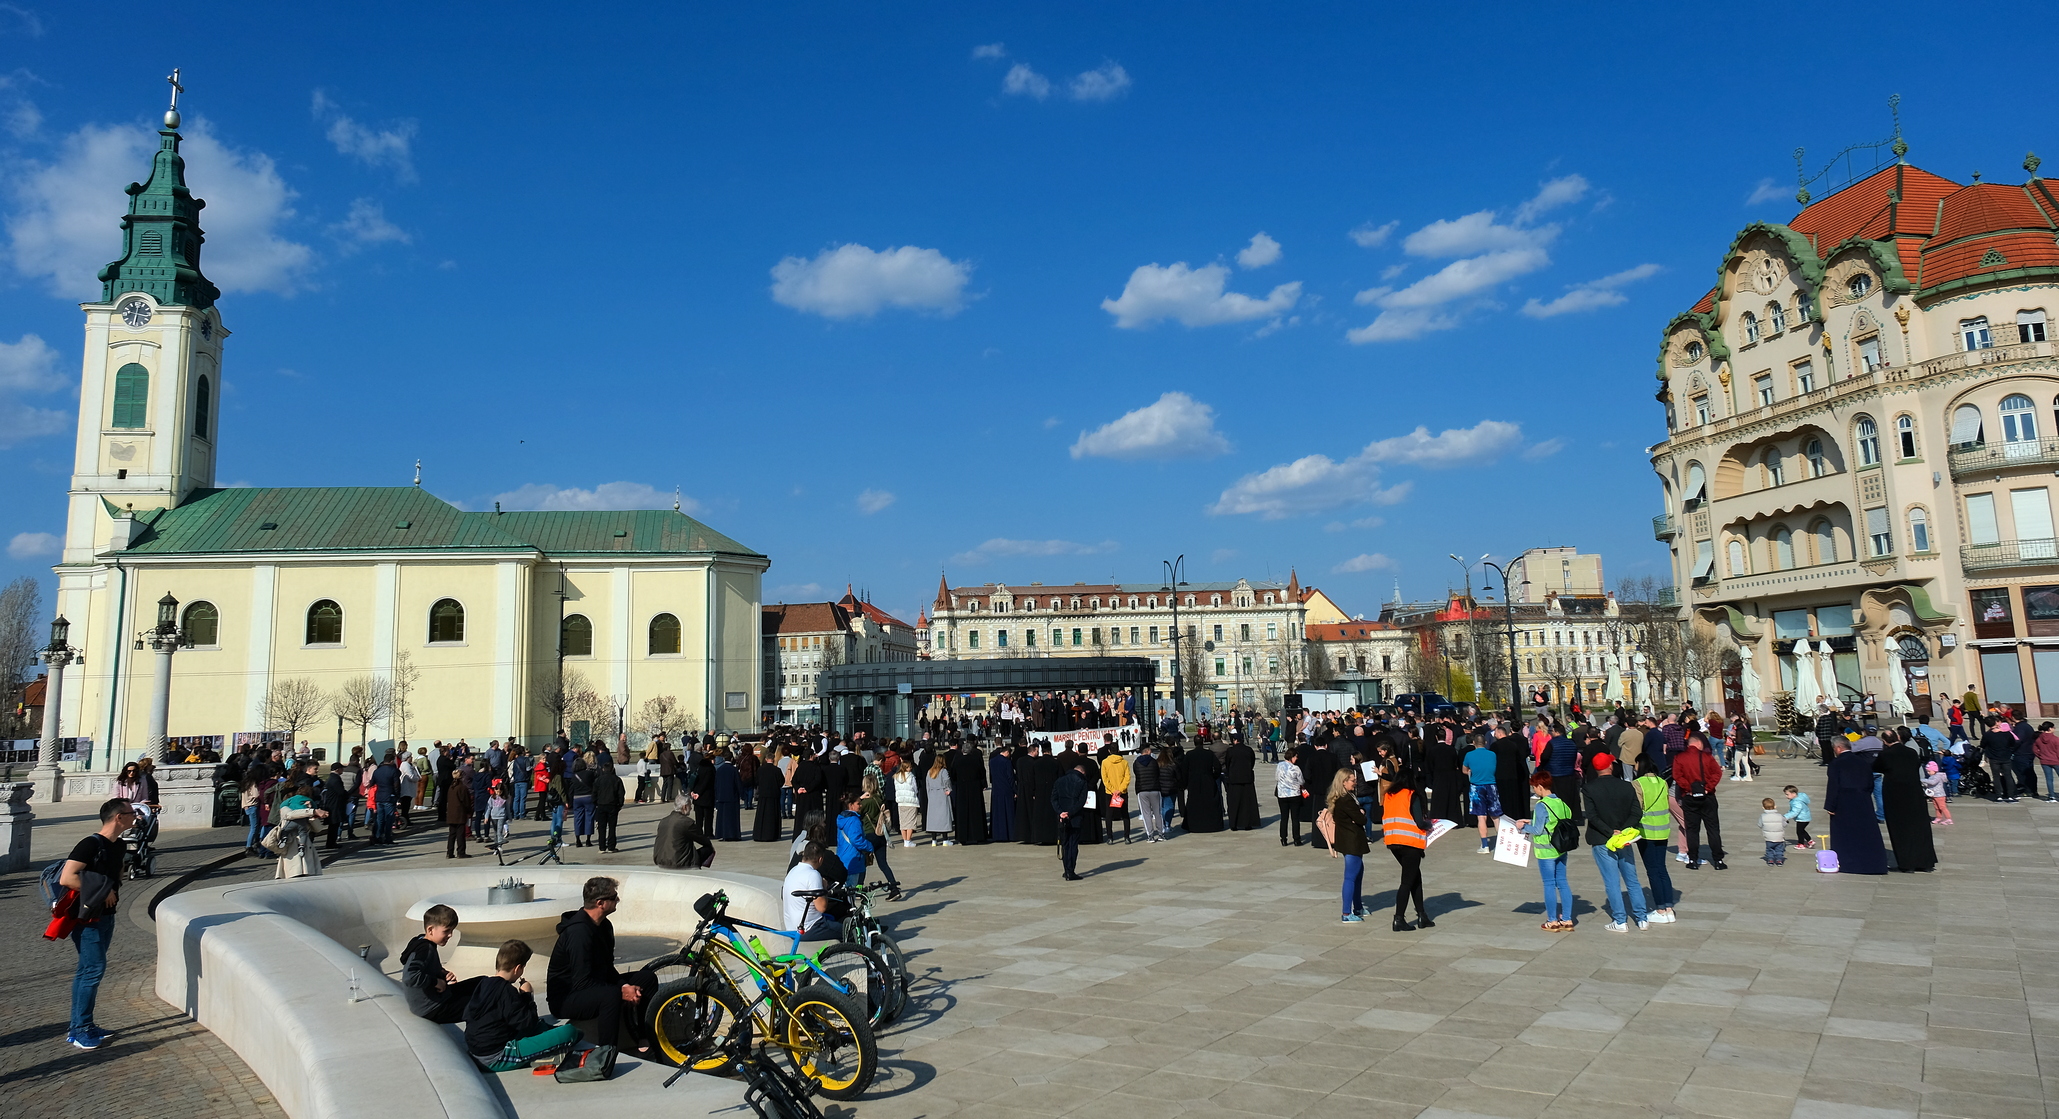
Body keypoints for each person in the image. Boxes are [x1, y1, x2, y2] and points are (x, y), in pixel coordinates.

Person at [545, 877, 659, 1052]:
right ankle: (606, 1052)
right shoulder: (578, 933)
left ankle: (643, 1035)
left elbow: (607, 968)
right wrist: (621, 991)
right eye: (614, 898)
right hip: (566, 998)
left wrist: (626, 985)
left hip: (593, 984)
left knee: (647, 979)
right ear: (600, 903)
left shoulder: (604, 926)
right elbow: (581, 982)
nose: (618, 901)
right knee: (611, 995)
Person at [55, 798, 131, 1049]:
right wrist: (102, 890)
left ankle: (83, 1023)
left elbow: (117, 873)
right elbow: (67, 877)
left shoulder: (119, 845)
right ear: (118, 817)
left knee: (88, 969)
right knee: (93, 970)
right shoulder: (89, 844)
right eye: (132, 813)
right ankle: (80, 1030)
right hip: (87, 918)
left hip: (107, 916)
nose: (135, 817)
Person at [465, 939, 581, 1072]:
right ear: (518, 968)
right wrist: (527, 995)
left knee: (541, 1026)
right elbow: (527, 1022)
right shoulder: (507, 991)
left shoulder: (484, 983)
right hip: (495, 1057)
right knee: (570, 1032)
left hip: (479, 1049)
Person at [1583, 754, 1650, 931]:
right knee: (1632, 879)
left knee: (1612, 882)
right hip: (1624, 840)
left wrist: (1609, 832)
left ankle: (1620, 921)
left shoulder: (1589, 788)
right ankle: (1642, 918)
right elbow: (1637, 812)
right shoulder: (1626, 786)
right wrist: (1623, 830)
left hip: (1602, 839)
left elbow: (1592, 816)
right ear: (1610, 767)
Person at [402, 905, 485, 1023]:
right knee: (486, 1002)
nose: (450, 935)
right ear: (430, 930)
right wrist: (436, 982)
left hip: (435, 999)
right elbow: (410, 976)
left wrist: (441, 972)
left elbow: (422, 967)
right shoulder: (425, 950)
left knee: (483, 982)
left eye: (451, 931)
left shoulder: (420, 941)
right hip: (433, 1008)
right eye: (446, 931)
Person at [1823, 738, 1888, 874]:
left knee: (1845, 834)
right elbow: (1870, 782)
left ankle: (1848, 862)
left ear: (1838, 748)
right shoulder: (1862, 761)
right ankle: (1873, 863)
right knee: (1866, 832)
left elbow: (1834, 785)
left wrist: (1830, 805)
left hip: (1844, 801)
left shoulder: (1836, 763)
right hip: (1863, 799)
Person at [1876, 732, 1937, 872]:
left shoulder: (1886, 754)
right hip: (1914, 793)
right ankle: (1926, 862)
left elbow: (1876, 767)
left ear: (1885, 741)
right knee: (1920, 828)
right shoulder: (1911, 752)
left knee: (1901, 829)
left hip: (1895, 795)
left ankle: (1907, 863)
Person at [1378, 773, 1430, 931]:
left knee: (1415, 876)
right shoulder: (1411, 794)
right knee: (1407, 881)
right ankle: (1398, 918)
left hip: (1393, 842)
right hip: (1410, 842)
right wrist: (1430, 825)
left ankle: (1422, 915)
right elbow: (1419, 821)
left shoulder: (1389, 795)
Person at [1630, 757, 1678, 924]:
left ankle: (1660, 908)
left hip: (1647, 831)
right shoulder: (1662, 782)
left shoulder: (1638, 784)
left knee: (1652, 871)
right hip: (1663, 830)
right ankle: (1669, 908)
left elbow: (1637, 807)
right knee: (1662, 869)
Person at [1527, 772, 1576, 931]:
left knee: (1549, 883)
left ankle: (1552, 920)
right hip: (1561, 849)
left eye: (1535, 787)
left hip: (1546, 851)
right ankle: (1567, 919)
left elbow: (1538, 829)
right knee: (1562, 882)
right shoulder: (1561, 803)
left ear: (1540, 787)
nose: (1534, 790)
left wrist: (1523, 827)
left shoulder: (1542, 805)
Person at [1673, 733, 1727, 871]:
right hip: (1708, 797)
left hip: (1689, 797)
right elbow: (1717, 773)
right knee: (1713, 829)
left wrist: (1689, 788)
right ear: (1698, 744)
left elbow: (1677, 776)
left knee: (1692, 830)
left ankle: (1693, 859)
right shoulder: (1707, 757)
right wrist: (1708, 788)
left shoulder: (1679, 758)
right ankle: (1718, 860)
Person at [1325, 770, 1371, 923]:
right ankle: (1346, 913)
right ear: (1343, 781)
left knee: (1358, 875)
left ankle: (1357, 907)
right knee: (1351, 877)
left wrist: (1358, 815)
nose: (1355, 782)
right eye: (1352, 780)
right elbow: (1361, 819)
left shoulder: (1345, 796)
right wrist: (1361, 813)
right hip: (1352, 841)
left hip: (1350, 839)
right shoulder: (1346, 800)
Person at [782, 842, 842, 940]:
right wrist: (824, 887)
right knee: (849, 930)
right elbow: (822, 907)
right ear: (820, 859)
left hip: (791, 927)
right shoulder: (813, 875)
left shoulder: (793, 870)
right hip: (808, 928)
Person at [273, 782, 327, 879]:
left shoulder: (307, 809)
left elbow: (318, 829)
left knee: (307, 877)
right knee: (293, 876)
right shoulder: (285, 808)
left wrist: (311, 812)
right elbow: (291, 815)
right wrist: (311, 811)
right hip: (291, 846)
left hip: (306, 846)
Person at [1052, 756, 1090, 881]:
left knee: (1065, 844)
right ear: (1082, 772)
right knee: (1073, 844)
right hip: (1075, 817)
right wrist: (1070, 813)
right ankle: (1070, 871)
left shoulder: (1060, 780)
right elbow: (1081, 801)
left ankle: (1066, 870)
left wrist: (1061, 812)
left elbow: (1053, 798)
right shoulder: (1082, 782)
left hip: (1062, 817)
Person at [653, 794, 715, 869]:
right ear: (685, 807)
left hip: (660, 860)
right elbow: (704, 840)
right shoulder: (686, 823)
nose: (691, 808)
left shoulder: (663, 821)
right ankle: (696, 868)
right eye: (690, 805)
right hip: (678, 862)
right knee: (709, 849)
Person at [1462, 736, 1500, 855]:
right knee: (1496, 816)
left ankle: (1485, 845)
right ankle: (1500, 843)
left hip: (1476, 786)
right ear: (1486, 742)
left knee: (1481, 816)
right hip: (1491, 785)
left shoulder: (1469, 755)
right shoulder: (1492, 754)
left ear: (1474, 743)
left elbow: (1464, 770)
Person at [834, 790, 874, 887]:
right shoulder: (854, 820)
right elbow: (856, 840)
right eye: (858, 804)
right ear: (851, 805)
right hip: (853, 858)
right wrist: (869, 846)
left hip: (843, 857)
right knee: (851, 891)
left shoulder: (842, 818)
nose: (860, 806)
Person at [1181, 744, 1225, 833]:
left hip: (1193, 781)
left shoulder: (1190, 754)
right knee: (1210, 802)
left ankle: (1194, 825)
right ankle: (1212, 824)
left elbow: (1184, 769)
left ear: (1194, 743)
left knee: (1194, 803)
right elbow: (1217, 767)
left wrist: (1185, 783)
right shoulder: (1209, 754)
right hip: (1208, 780)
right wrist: (1213, 777)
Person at [1221, 735, 1259, 832]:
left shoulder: (1231, 751)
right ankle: (1247, 823)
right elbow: (1252, 762)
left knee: (1234, 803)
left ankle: (1234, 824)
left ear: (1235, 740)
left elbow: (1227, 763)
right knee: (1247, 802)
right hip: (1247, 778)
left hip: (1234, 779)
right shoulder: (1248, 750)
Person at [592, 758, 624, 853]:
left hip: (601, 805)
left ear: (603, 769)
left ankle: (602, 847)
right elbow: (621, 793)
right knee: (612, 827)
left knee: (601, 827)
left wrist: (596, 803)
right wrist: (619, 805)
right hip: (613, 805)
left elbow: (594, 793)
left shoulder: (598, 780)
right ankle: (611, 846)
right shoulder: (617, 780)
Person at [1275, 746, 1306, 847]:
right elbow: (1301, 781)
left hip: (1282, 795)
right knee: (1295, 818)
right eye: (1296, 756)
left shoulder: (1279, 765)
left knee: (1284, 817)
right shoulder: (1296, 768)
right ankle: (1296, 839)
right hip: (1294, 795)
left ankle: (1283, 838)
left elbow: (1277, 777)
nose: (1297, 758)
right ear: (1292, 756)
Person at [444, 762, 475, 859]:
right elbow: (466, 801)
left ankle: (449, 852)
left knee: (452, 834)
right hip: (460, 813)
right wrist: (469, 811)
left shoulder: (451, 787)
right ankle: (461, 852)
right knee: (460, 834)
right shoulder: (462, 788)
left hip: (451, 813)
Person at [923, 753, 955, 845]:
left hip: (932, 795)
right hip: (941, 794)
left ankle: (934, 840)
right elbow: (947, 781)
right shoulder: (943, 771)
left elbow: (927, 784)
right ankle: (945, 839)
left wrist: (929, 794)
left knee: (933, 818)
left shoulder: (930, 771)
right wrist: (948, 789)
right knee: (943, 817)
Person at [1782, 784, 1814, 849]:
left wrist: (1786, 817)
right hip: (1805, 817)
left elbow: (1795, 812)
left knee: (1799, 831)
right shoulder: (1799, 798)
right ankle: (1810, 841)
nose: (1786, 796)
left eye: (1787, 794)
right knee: (1802, 830)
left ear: (1793, 794)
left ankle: (1801, 843)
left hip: (1802, 818)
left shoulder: (1796, 802)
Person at [1758, 798, 1787, 866]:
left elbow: (1760, 825)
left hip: (1768, 837)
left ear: (1763, 807)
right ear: (1775, 806)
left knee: (1769, 849)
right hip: (1779, 837)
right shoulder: (1780, 816)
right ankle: (1779, 860)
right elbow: (1784, 825)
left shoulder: (1762, 816)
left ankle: (1770, 859)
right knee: (1779, 849)